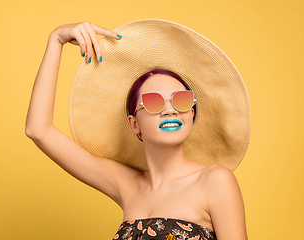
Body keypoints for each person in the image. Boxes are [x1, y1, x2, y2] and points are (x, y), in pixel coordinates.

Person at [26, 20, 250, 240]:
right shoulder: (126, 184)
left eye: (181, 100)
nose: (170, 110)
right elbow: (39, 131)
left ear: (191, 113)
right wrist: (56, 39)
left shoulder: (215, 181)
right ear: (134, 124)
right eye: (154, 102)